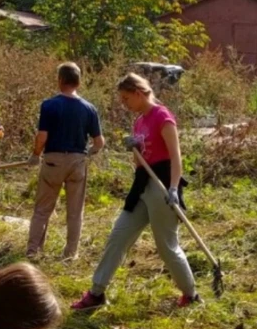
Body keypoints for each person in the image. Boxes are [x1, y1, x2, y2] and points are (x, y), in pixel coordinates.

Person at [72, 73, 200, 310]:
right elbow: (139, 162)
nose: (124, 103)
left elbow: (176, 157)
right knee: (118, 236)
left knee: (166, 245)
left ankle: (190, 295)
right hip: (141, 183)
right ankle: (96, 293)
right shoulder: (139, 121)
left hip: (162, 184)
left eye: (126, 98)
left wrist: (173, 188)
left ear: (139, 94)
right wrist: (136, 148)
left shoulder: (163, 117)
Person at [26, 62, 105, 261]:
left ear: (60, 80)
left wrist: (36, 155)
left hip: (53, 161)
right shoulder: (89, 108)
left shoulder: (50, 105)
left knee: (42, 209)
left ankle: (33, 251)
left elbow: (42, 136)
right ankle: (70, 254)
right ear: (78, 82)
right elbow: (99, 142)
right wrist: (88, 152)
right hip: (78, 162)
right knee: (75, 211)